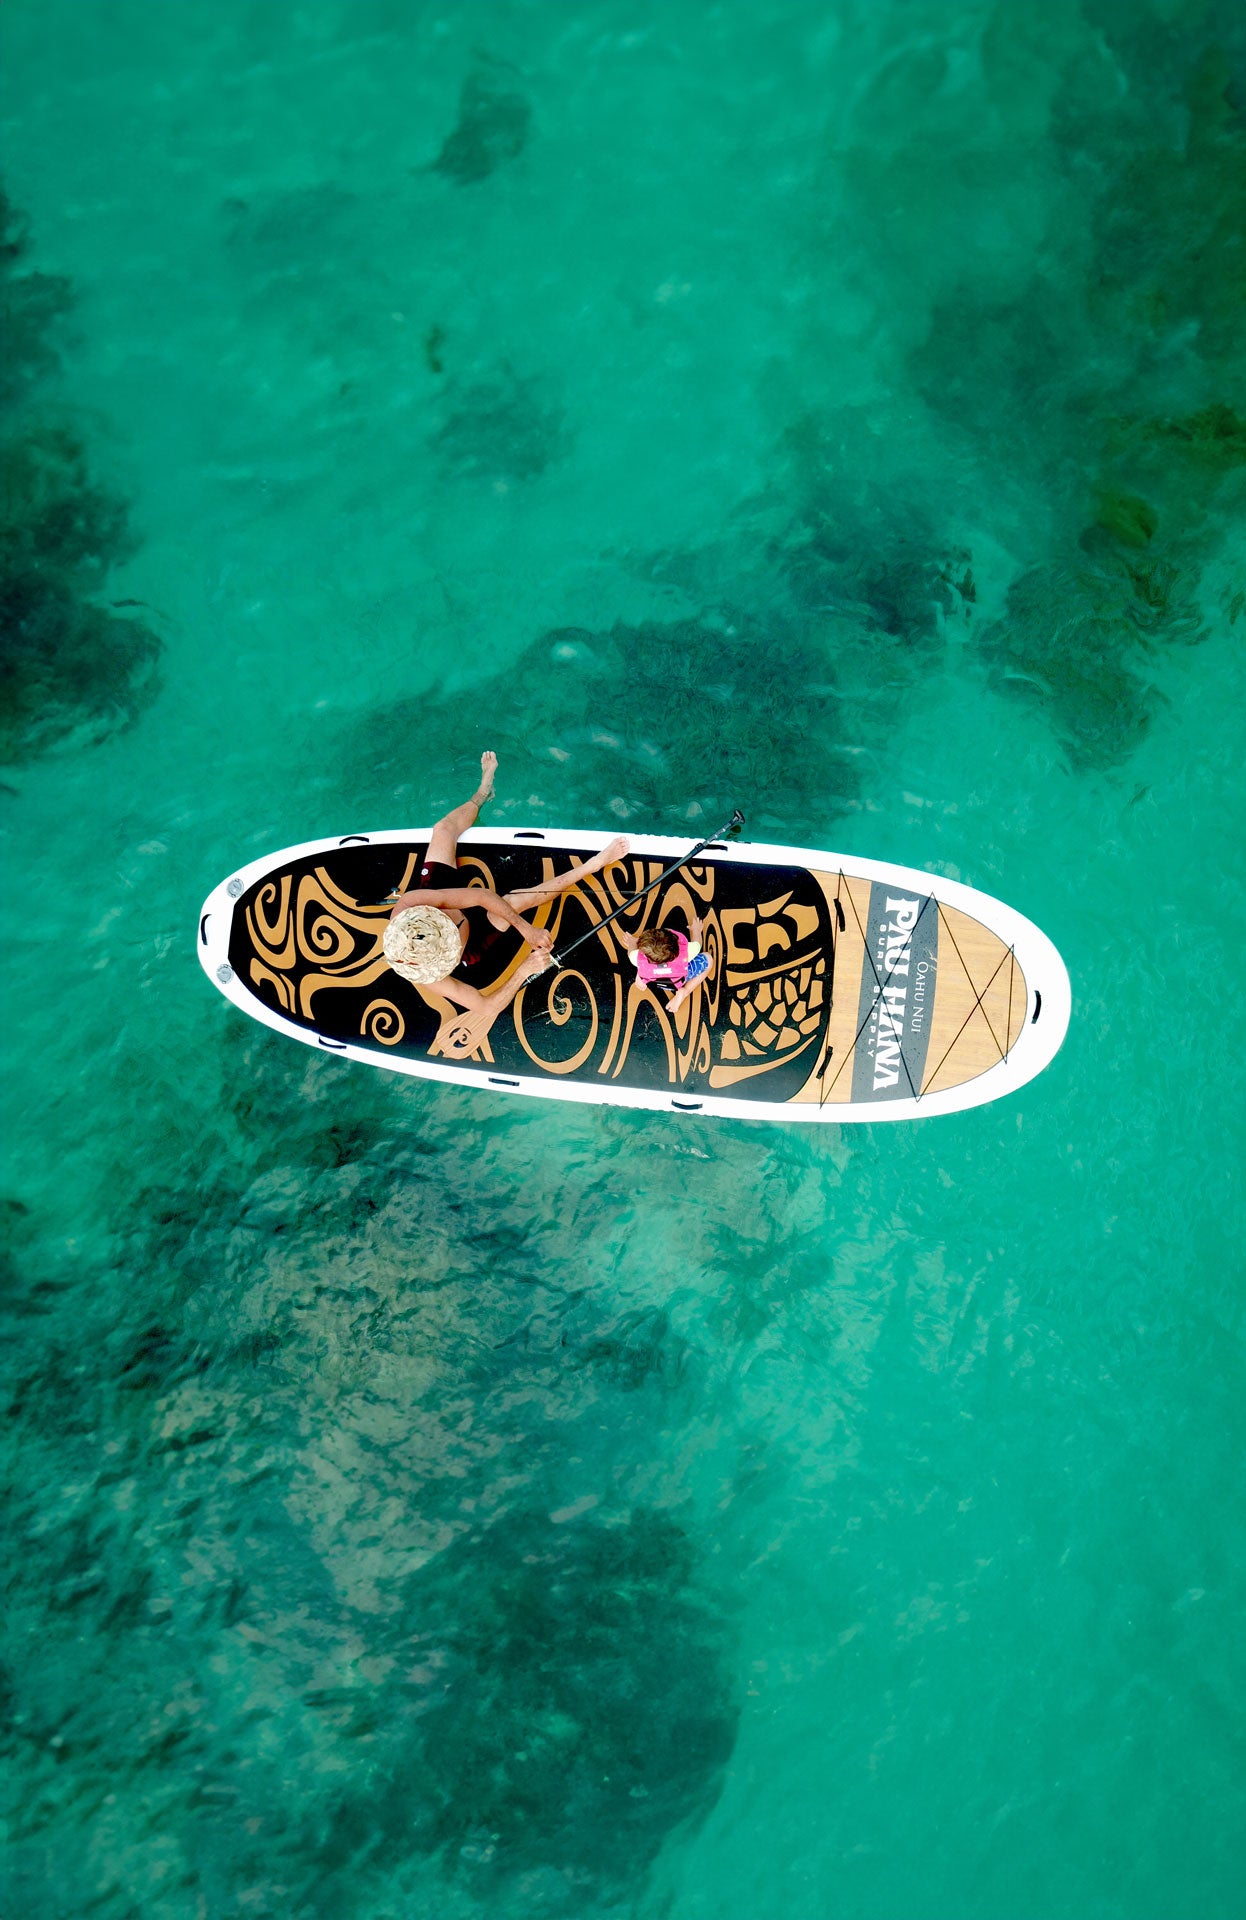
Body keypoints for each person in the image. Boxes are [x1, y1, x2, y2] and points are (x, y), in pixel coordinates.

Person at [382, 751, 628, 1030]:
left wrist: (526, 930)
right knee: (518, 898)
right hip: (471, 945)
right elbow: (487, 1007)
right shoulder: (431, 975)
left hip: (445, 897)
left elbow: (482, 897)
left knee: (444, 829)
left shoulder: (408, 907)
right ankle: (593, 865)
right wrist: (525, 969)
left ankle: (483, 791)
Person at [618, 912, 712, 1016]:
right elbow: (697, 943)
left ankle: (641, 981)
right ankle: (685, 991)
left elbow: (631, 952)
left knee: (641, 965)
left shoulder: (635, 957)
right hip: (678, 979)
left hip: (658, 981)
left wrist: (632, 943)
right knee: (708, 958)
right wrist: (696, 930)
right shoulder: (686, 951)